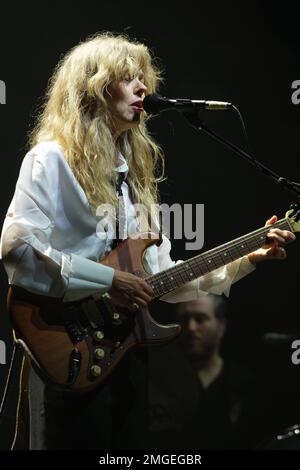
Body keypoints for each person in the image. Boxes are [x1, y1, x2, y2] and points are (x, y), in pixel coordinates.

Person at [0, 32, 295, 449]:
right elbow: (18, 249)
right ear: (95, 87)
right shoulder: (51, 159)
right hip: (64, 347)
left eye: (145, 78)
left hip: (126, 359)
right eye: (128, 77)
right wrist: (108, 280)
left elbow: (163, 279)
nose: (144, 88)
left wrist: (248, 258)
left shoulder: (134, 180)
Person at [147, 295, 256, 449]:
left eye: (200, 319)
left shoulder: (244, 385)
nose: (191, 327)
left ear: (221, 326)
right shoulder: (155, 382)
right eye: (184, 319)